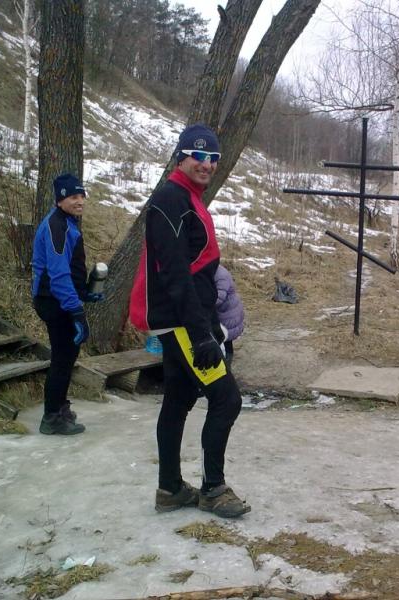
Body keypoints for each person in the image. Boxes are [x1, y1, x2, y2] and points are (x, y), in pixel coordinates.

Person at [129, 123, 249, 518]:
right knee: (226, 398)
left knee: (179, 398)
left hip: (187, 317)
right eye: (198, 155)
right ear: (180, 156)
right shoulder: (170, 198)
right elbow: (175, 273)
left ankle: (169, 489)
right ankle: (213, 490)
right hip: (181, 321)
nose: (206, 163)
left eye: (213, 157)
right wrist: (201, 336)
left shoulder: (188, 198)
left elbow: (197, 270)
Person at [31, 173, 103, 436]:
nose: (80, 201)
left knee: (67, 355)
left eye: (82, 195)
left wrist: (85, 292)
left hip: (61, 297)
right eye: (74, 196)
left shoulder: (68, 223)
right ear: (61, 199)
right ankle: (52, 417)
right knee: (63, 358)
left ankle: (59, 407)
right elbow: (58, 273)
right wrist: (76, 310)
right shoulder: (56, 226)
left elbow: (70, 271)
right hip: (53, 300)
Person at [214, 264, 245, 368]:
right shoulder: (213, 271)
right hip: (223, 313)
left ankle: (227, 365)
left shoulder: (220, 274)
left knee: (226, 340)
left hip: (227, 314)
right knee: (224, 340)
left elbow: (219, 297)